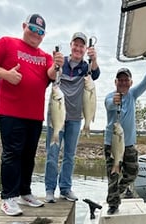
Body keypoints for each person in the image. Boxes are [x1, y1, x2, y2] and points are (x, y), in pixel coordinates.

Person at [0, 14, 64, 216]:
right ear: (24, 26)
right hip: (11, 112)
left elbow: (51, 75)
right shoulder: (7, 43)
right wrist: (6, 74)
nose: (36, 34)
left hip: (34, 116)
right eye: (33, 29)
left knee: (29, 156)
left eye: (41, 32)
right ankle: (8, 197)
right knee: (12, 154)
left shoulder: (44, 56)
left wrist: (57, 64)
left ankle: (24, 192)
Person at [44, 32, 100, 203]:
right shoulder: (61, 63)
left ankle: (65, 189)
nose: (78, 48)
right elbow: (49, 76)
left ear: (84, 49)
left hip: (76, 118)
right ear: (71, 45)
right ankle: (49, 189)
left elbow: (95, 75)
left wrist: (94, 59)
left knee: (69, 155)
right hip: (56, 114)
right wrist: (55, 65)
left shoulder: (86, 67)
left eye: (81, 46)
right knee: (52, 153)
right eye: (75, 45)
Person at [104, 58, 146, 215]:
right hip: (112, 144)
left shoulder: (133, 95)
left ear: (130, 82)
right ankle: (113, 203)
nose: (123, 82)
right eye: (120, 80)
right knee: (113, 176)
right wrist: (114, 101)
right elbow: (109, 104)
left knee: (132, 173)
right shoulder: (110, 97)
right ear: (115, 82)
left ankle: (117, 192)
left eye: (126, 80)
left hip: (129, 145)